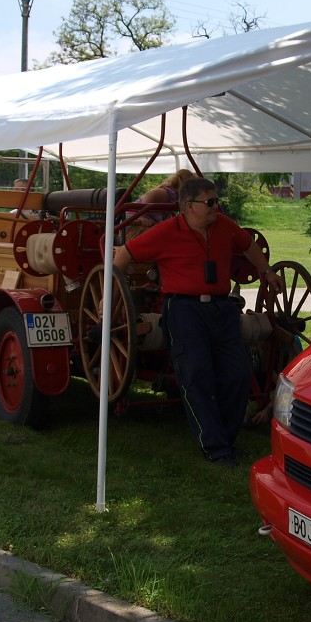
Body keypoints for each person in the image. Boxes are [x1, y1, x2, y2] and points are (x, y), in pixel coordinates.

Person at [113, 177, 282, 465]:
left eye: (216, 201)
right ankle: (216, 448)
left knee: (238, 373)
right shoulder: (167, 231)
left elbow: (248, 245)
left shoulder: (224, 226)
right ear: (189, 205)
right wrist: (112, 293)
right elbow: (125, 254)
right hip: (184, 311)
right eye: (210, 202)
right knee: (196, 375)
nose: (217, 206)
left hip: (222, 309)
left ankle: (226, 439)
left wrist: (266, 271)